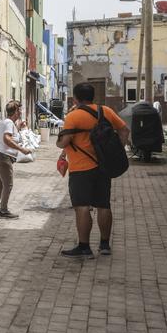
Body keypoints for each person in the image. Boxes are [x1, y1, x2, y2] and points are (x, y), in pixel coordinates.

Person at [56, 83, 130, 258]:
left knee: (82, 207)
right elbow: (124, 130)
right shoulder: (105, 111)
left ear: (75, 98)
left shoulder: (73, 116)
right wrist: (118, 148)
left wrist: (59, 142)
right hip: (103, 167)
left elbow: (63, 142)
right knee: (103, 205)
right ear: (92, 96)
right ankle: (104, 245)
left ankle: (84, 247)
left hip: (80, 169)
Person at [0, 101, 33, 219]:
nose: (21, 112)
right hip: (3, 157)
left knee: (0, 184)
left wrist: (18, 127)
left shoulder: (6, 122)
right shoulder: (9, 123)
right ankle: (3, 210)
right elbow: (7, 139)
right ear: (15, 111)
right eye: (19, 110)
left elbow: (10, 136)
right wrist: (22, 149)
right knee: (8, 184)